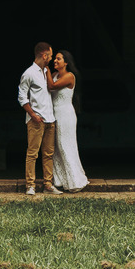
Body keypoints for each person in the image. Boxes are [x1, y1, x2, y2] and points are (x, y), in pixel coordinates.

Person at [17, 41, 61, 195]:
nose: (51, 58)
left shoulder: (45, 72)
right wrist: (33, 115)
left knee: (48, 154)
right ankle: (30, 185)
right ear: (44, 55)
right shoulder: (29, 73)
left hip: (50, 119)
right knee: (32, 153)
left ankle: (48, 185)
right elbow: (22, 97)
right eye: (50, 55)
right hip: (36, 119)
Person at [47, 49, 88, 192]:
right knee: (56, 147)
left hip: (65, 114)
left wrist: (45, 70)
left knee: (65, 145)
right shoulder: (54, 75)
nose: (55, 61)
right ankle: (59, 180)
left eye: (58, 59)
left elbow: (51, 86)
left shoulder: (70, 76)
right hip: (54, 114)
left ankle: (74, 180)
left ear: (66, 62)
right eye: (55, 59)